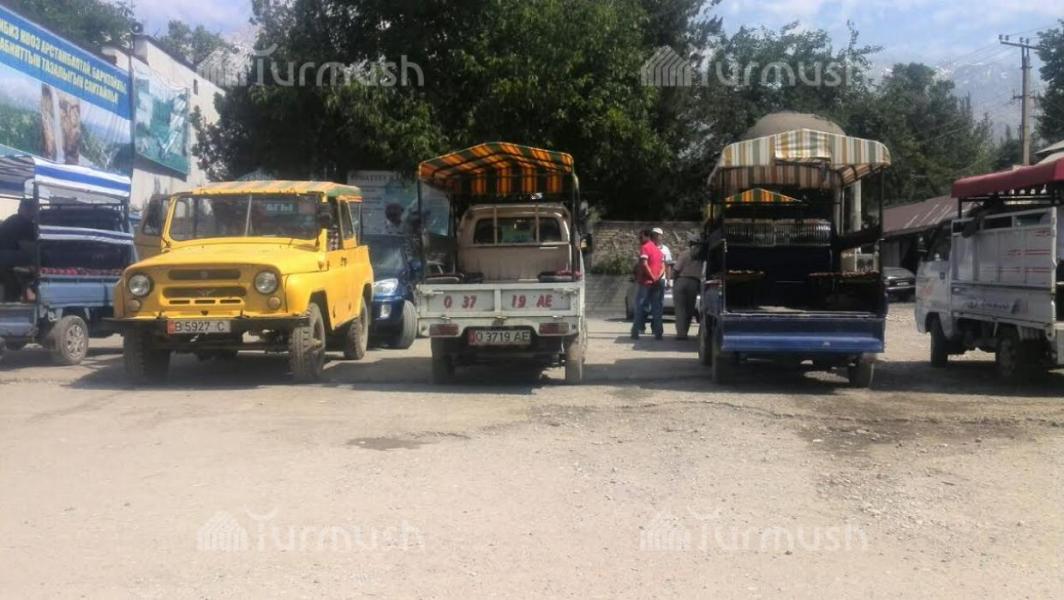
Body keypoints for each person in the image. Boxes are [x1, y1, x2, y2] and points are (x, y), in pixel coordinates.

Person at [632, 228, 666, 340]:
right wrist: (657, 277)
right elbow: (663, 267)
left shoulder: (645, 247)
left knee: (640, 306)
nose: (639, 239)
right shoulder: (658, 251)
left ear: (647, 236)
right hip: (657, 282)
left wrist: (651, 277)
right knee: (657, 307)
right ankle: (658, 333)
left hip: (646, 282)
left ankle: (635, 331)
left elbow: (644, 264)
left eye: (641, 237)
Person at [672, 235, 704, 340]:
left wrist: (674, 281)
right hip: (694, 283)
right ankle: (685, 331)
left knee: (680, 309)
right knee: (689, 309)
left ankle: (681, 334)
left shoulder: (685, 253)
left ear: (690, 243)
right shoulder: (702, 256)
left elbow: (676, 269)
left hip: (681, 281)